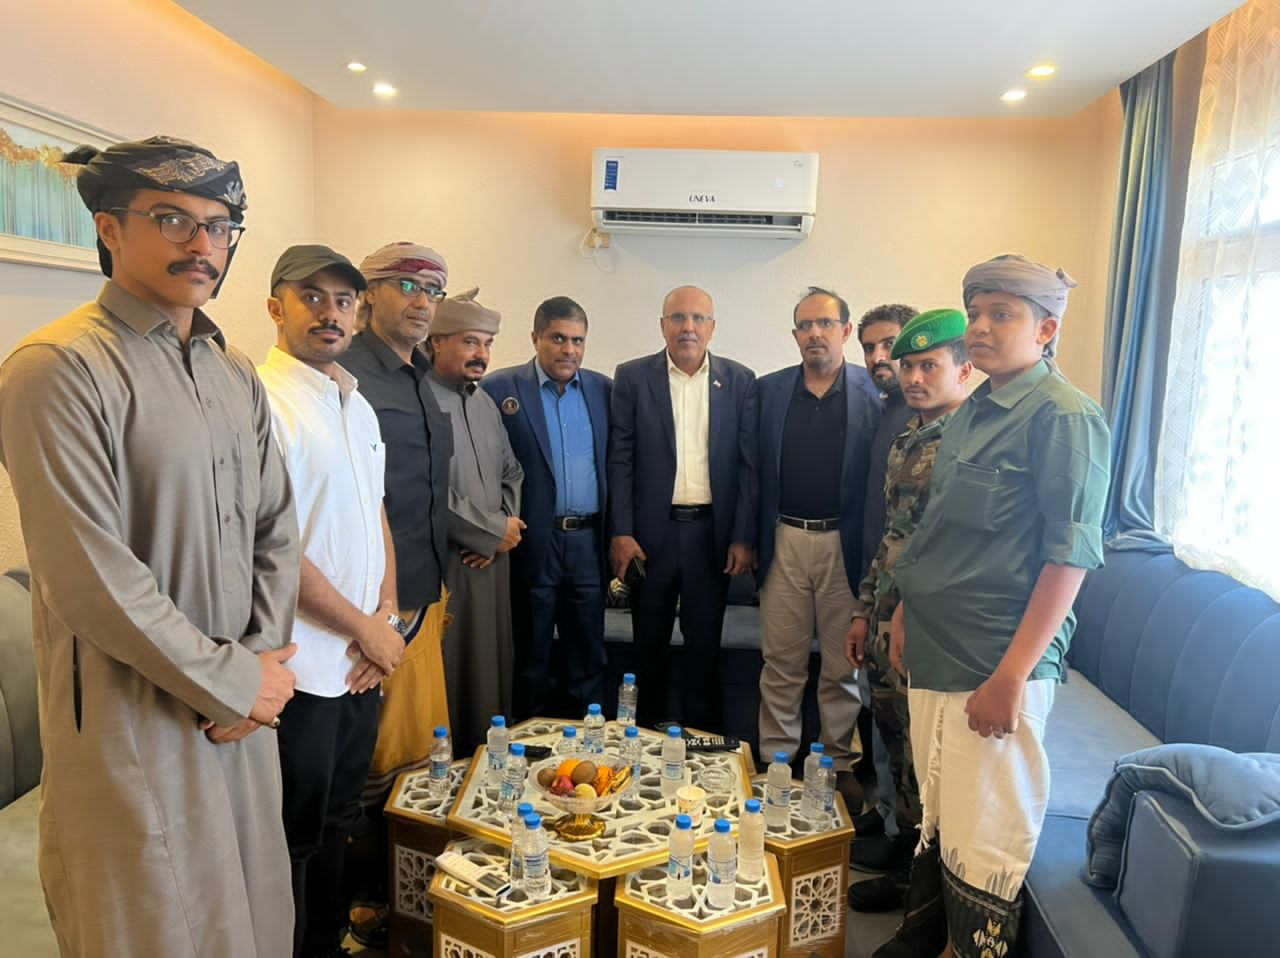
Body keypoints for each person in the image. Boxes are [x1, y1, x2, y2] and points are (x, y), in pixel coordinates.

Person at [0, 136, 299, 957]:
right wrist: (231, 683)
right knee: (157, 923)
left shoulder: (233, 370)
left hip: (243, 712)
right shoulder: (56, 368)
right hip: (134, 718)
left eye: (219, 226)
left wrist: (260, 663)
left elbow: (277, 523)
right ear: (109, 227)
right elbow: (88, 576)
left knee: (255, 913)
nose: (202, 244)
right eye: (172, 219)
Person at [881, 256, 1111, 958]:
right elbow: (941, 530)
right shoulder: (974, 409)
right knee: (944, 818)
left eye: (1001, 314)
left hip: (993, 660)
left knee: (986, 843)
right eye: (975, 312)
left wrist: (1011, 677)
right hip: (936, 650)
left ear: (1045, 330)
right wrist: (905, 608)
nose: (980, 327)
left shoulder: (1065, 417)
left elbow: (1069, 557)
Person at [258, 245, 403, 957]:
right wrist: (362, 630)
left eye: (344, 300)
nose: (330, 312)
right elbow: (272, 547)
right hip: (302, 667)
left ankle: (332, 939)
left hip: (359, 664)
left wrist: (387, 620)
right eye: (311, 296)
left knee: (344, 815)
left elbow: (376, 516)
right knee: (297, 833)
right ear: (275, 307)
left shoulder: (357, 403)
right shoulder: (261, 402)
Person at [340, 241, 455, 947]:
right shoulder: (344, 372)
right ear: (370, 293)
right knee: (371, 765)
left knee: (417, 758)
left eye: (432, 291)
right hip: (373, 607)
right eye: (407, 285)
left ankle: (404, 892)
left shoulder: (419, 375)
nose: (422, 301)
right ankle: (361, 905)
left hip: (423, 593)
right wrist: (377, 614)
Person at [844, 309, 973, 916]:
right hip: (886, 621)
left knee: (927, 756)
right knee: (895, 742)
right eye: (909, 366)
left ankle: (924, 888)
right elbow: (891, 539)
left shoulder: (969, 442)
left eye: (930, 366)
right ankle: (903, 848)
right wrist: (863, 611)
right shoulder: (907, 440)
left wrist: (909, 615)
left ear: (963, 370)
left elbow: (955, 548)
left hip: (928, 628)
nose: (915, 378)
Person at [608, 285, 757, 730]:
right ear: (662, 326)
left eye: (698, 318)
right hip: (649, 539)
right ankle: (646, 741)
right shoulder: (633, 377)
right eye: (678, 317)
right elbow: (620, 458)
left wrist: (743, 536)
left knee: (704, 650)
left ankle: (701, 743)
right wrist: (621, 531)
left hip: (710, 537)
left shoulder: (740, 380)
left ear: (712, 328)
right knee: (647, 648)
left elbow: (748, 466)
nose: (688, 327)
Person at [755, 287, 881, 805]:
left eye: (825, 324)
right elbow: (751, 471)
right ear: (794, 335)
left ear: (845, 331)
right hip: (784, 538)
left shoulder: (875, 394)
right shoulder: (769, 391)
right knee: (781, 662)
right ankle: (776, 762)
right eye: (805, 326)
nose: (815, 334)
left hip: (844, 544)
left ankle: (838, 762)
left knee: (841, 666)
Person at [483, 296, 611, 719]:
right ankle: (528, 739)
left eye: (578, 340)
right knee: (530, 656)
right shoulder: (499, 390)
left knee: (588, 656)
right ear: (535, 337)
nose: (569, 349)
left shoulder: (603, 391)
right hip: (531, 543)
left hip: (588, 543)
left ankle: (589, 742)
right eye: (558, 338)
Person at [426, 288, 524, 753]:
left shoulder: (485, 403)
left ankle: (491, 765)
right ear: (436, 341)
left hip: (492, 563)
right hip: (448, 564)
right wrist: (486, 533)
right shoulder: (419, 400)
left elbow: (513, 471)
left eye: (487, 344)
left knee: (494, 671)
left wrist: (503, 527)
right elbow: (420, 487)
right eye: (470, 342)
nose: (481, 354)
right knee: (452, 673)